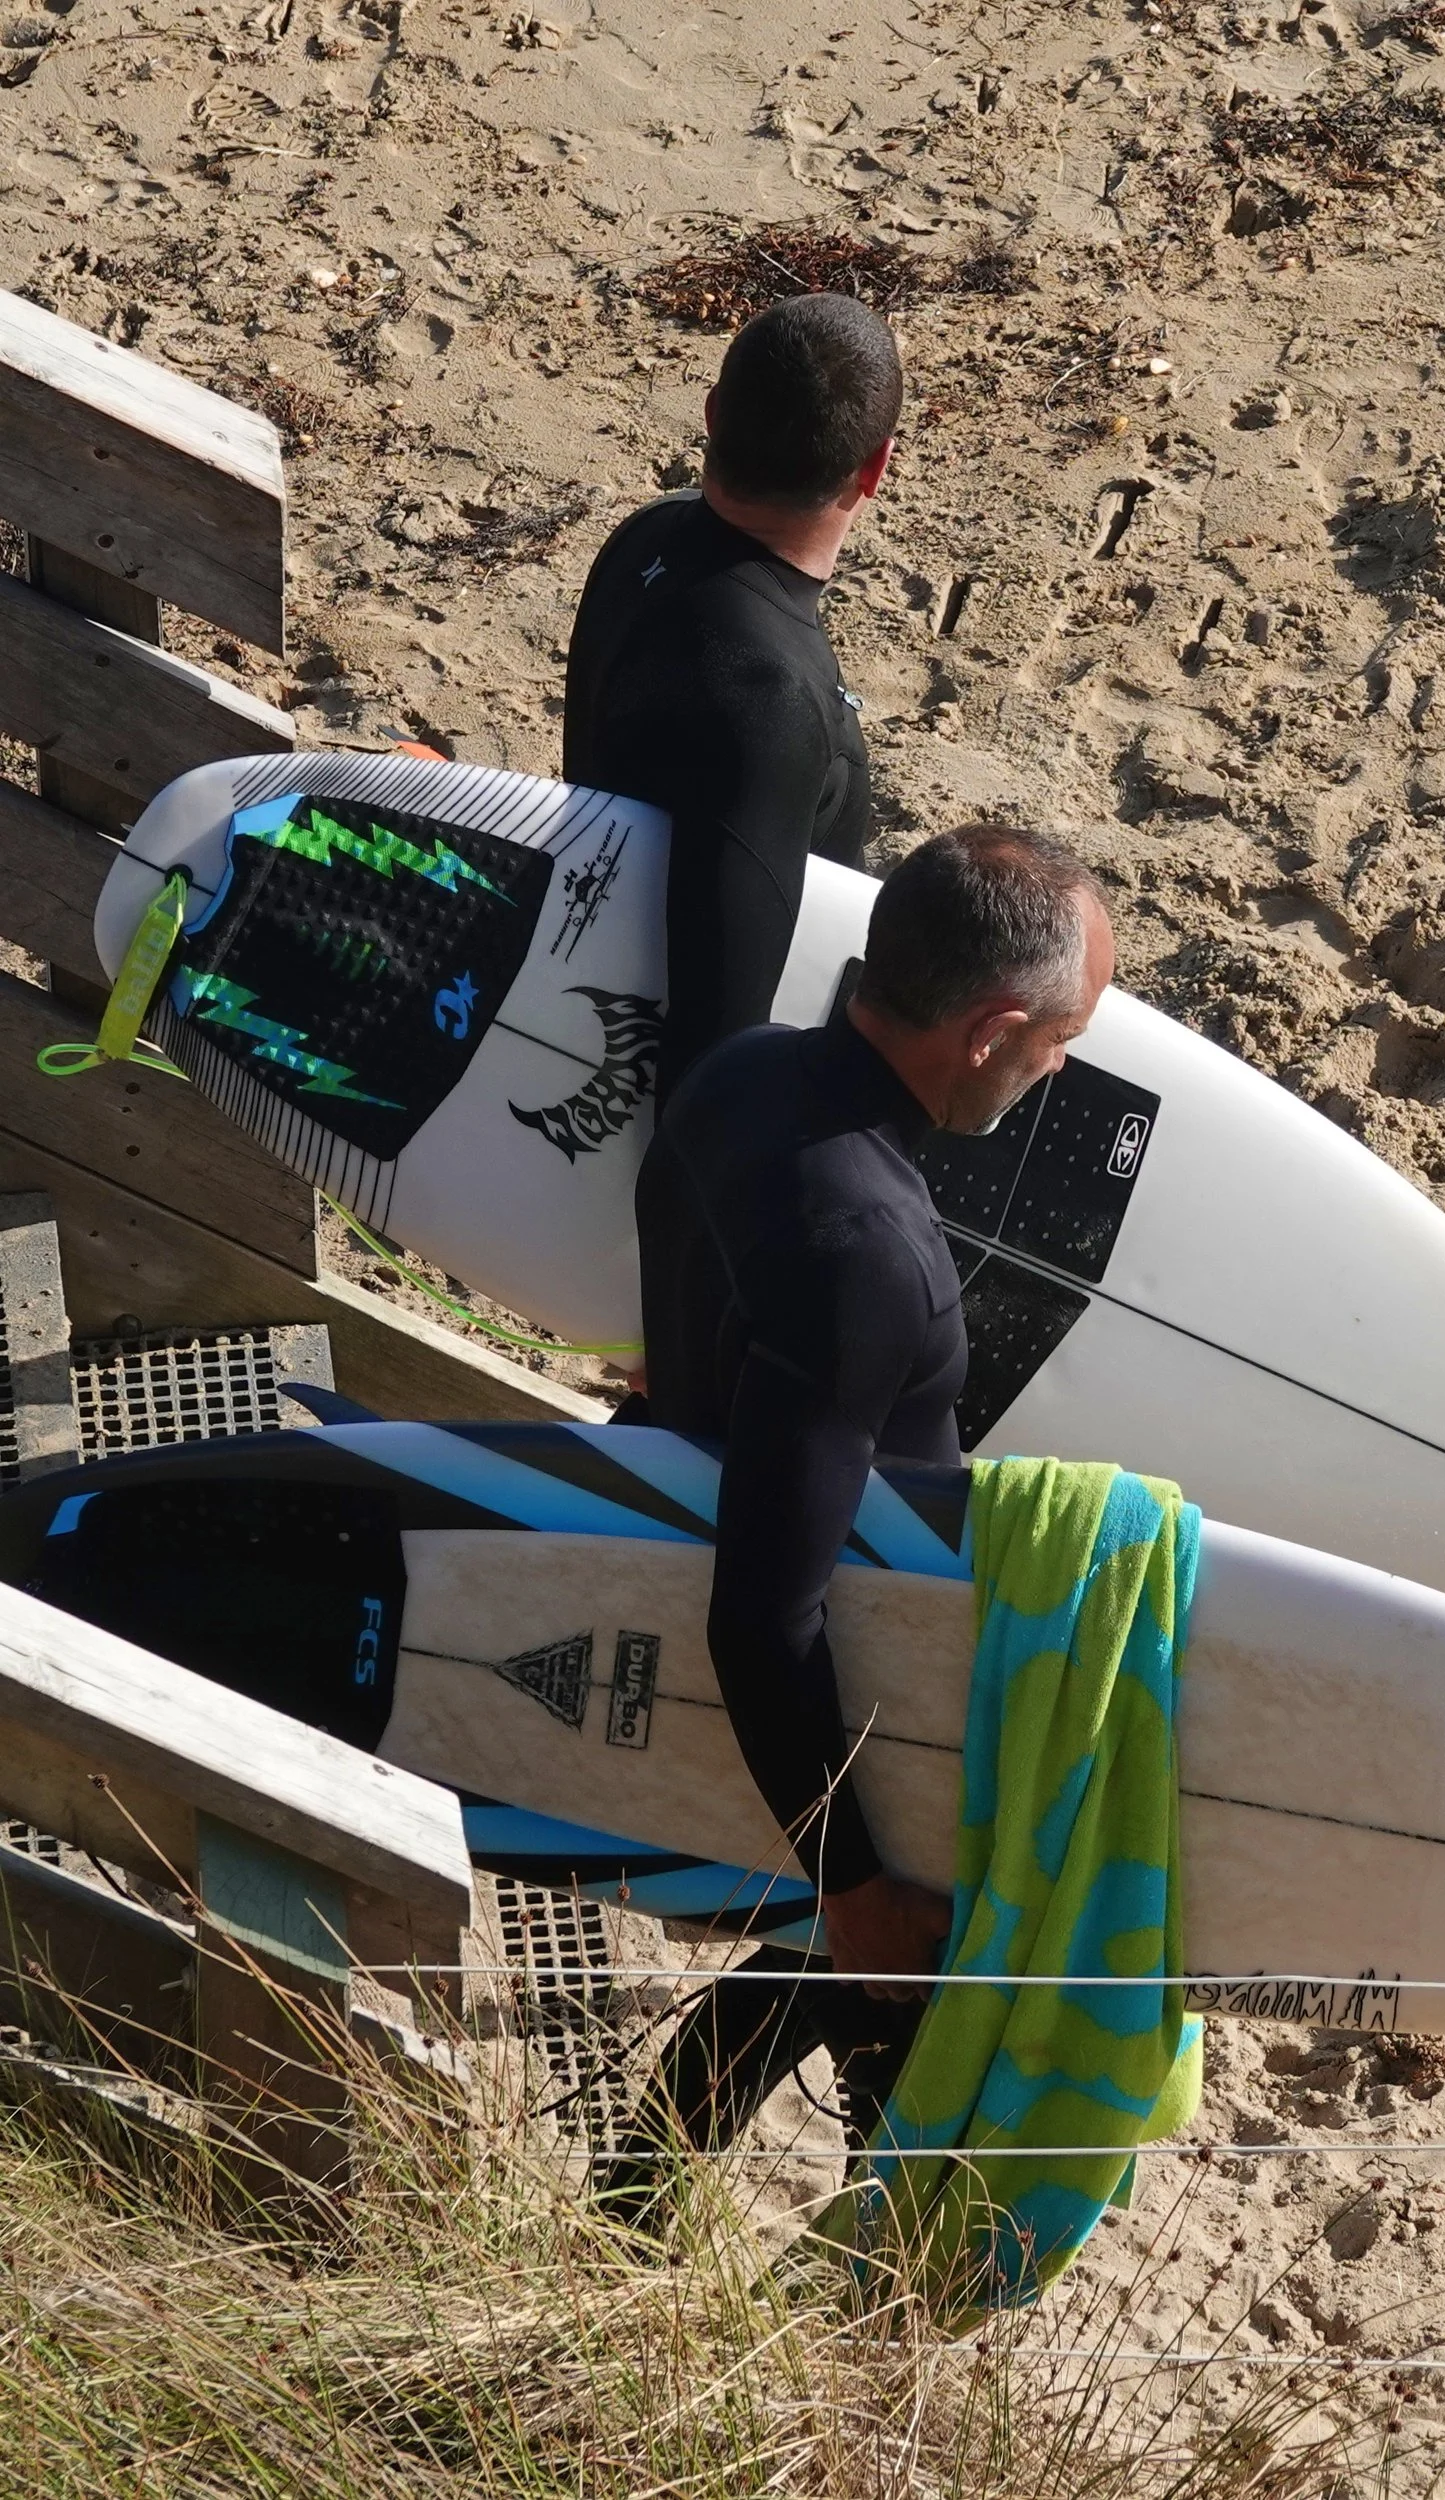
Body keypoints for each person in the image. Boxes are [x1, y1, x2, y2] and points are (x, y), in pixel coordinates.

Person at [635, 824, 1117, 1985]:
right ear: (993, 1030)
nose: (1053, 1070)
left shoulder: (738, 1069)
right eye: (1058, 1042)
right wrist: (851, 1884)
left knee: (797, 1996)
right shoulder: (865, 1252)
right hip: (853, 1725)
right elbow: (764, 1619)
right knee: (880, 2025)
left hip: (719, 1601)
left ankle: (636, 2176)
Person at [564, 291, 901, 1103]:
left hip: (580, 988)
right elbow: (714, 1051)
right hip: (683, 1102)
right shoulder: (771, 702)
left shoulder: (647, 534)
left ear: (713, 414)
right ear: (875, 468)